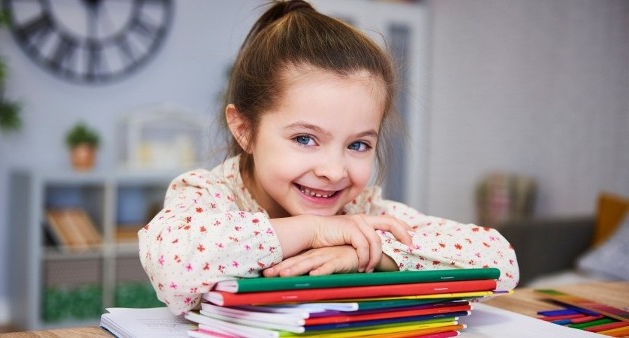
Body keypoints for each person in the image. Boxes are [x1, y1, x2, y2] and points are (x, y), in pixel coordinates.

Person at [139, 0, 519, 315]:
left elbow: (501, 263)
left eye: (358, 145)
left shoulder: (361, 211)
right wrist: (315, 231)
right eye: (305, 138)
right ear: (244, 129)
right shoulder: (209, 194)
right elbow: (172, 267)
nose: (334, 171)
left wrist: (371, 253)